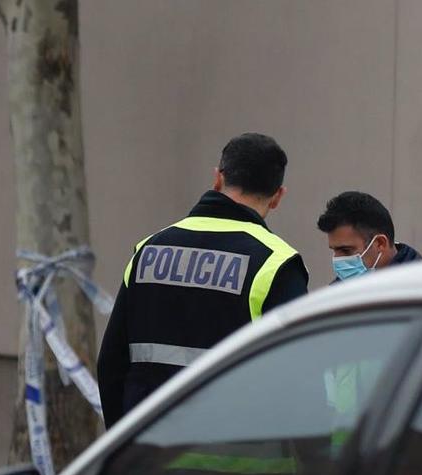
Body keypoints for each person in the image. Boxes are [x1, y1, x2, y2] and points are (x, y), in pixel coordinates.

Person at [98, 133, 310, 428]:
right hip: (234, 450)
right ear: (277, 196)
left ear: (218, 178)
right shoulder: (276, 263)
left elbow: (111, 364)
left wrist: (124, 444)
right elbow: (298, 377)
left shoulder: (148, 250)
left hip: (150, 447)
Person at [317, 191, 422, 281]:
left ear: (380, 244)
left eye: (346, 250)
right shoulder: (340, 290)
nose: (337, 260)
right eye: (334, 250)